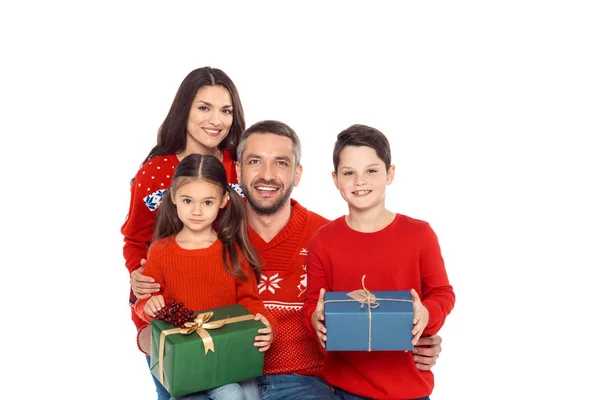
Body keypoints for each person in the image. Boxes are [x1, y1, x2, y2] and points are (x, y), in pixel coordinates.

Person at [133, 120, 444, 399]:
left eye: (281, 163)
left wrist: (417, 336)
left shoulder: (327, 236)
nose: (267, 174)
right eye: (255, 161)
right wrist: (148, 332)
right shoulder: (205, 237)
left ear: (297, 173)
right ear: (238, 171)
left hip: (303, 382)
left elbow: (372, 306)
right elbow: (159, 302)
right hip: (221, 375)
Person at [303, 124, 456, 400]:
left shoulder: (420, 234)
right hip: (345, 389)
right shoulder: (323, 241)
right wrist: (315, 318)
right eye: (349, 173)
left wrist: (427, 315)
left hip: (410, 388)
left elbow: (443, 294)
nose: (360, 181)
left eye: (371, 171)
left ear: (390, 174)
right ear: (336, 179)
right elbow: (313, 302)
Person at [121, 66, 245, 399]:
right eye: (204, 107)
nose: (215, 120)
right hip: (168, 310)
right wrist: (138, 273)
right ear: (184, 110)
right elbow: (135, 239)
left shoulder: (239, 164)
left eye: (226, 110)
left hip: (225, 312)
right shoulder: (155, 172)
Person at [135, 154, 276, 400]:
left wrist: (265, 324)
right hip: (189, 357)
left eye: (207, 202)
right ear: (174, 198)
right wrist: (150, 305)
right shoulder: (161, 250)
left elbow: (249, 300)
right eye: (188, 200)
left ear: (222, 201)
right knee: (231, 394)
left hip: (229, 350)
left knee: (252, 392)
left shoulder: (232, 250)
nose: (197, 211)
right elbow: (144, 302)